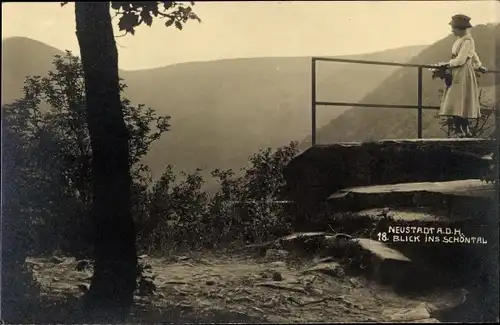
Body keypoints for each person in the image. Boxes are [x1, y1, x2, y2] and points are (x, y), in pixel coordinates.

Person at [436, 14, 487, 138]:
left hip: (462, 73)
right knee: (458, 101)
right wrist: (478, 65)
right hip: (457, 72)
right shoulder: (460, 40)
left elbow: (461, 60)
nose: (452, 30)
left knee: (459, 100)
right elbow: (473, 54)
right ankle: (463, 129)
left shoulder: (467, 41)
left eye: (454, 28)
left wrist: (446, 64)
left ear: (460, 28)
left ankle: (461, 130)